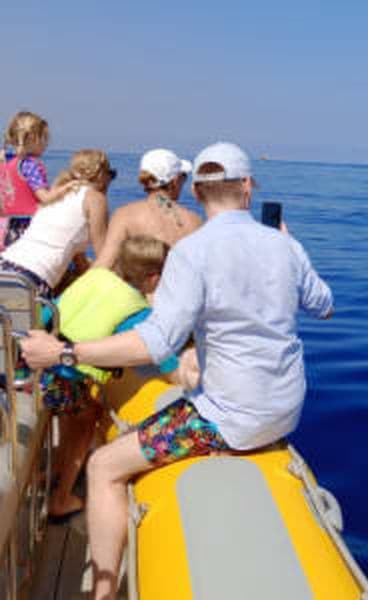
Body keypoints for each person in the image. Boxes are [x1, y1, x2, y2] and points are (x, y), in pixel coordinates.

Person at [20, 141, 334, 599]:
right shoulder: (284, 246)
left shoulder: (194, 252)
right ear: (247, 187)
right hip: (286, 411)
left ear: (200, 193)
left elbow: (156, 341)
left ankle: (102, 595)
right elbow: (324, 305)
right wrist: (288, 244)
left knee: (105, 467)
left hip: (230, 420)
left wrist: (64, 353)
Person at [42, 235, 174, 520]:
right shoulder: (137, 310)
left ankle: (55, 473)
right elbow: (161, 356)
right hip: (64, 374)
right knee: (88, 419)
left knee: (77, 411)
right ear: (153, 278)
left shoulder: (97, 276)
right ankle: (61, 499)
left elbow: (50, 311)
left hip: (37, 365)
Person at [0, 149, 111, 297]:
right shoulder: (95, 199)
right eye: (111, 174)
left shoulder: (58, 193)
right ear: (102, 175)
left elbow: (77, 256)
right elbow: (104, 256)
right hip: (30, 279)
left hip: (6, 266)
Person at [92, 148, 202, 269]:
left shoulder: (125, 215)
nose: (183, 182)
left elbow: (103, 267)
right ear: (174, 181)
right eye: (183, 177)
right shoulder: (195, 220)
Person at [1, 111, 77, 247]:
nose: (46, 144)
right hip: (30, 227)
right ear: (32, 139)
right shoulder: (31, 165)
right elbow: (45, 198)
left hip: (9, 227)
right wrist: (67, 187)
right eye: (44, 138)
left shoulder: (7, 162)